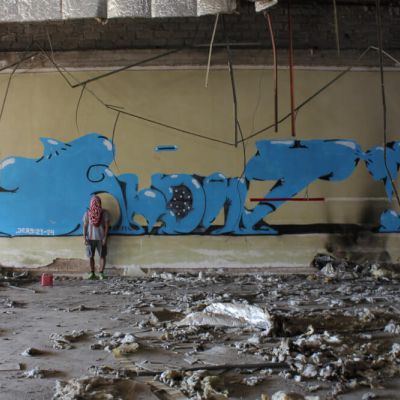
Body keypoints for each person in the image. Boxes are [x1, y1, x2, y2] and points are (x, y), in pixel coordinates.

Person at [83, 195, 110, 280]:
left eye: (97, 201)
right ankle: (92, 273)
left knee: (102, 256)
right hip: (90, 239)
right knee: (90, 256)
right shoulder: (87, 213)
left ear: (100, 202)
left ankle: (101, 273)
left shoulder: (104, 213)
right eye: (93, 202)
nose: (95, 203)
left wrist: (105, 238)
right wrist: (84, 238)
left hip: (101, 239)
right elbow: (85, 226)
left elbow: (107, 226)